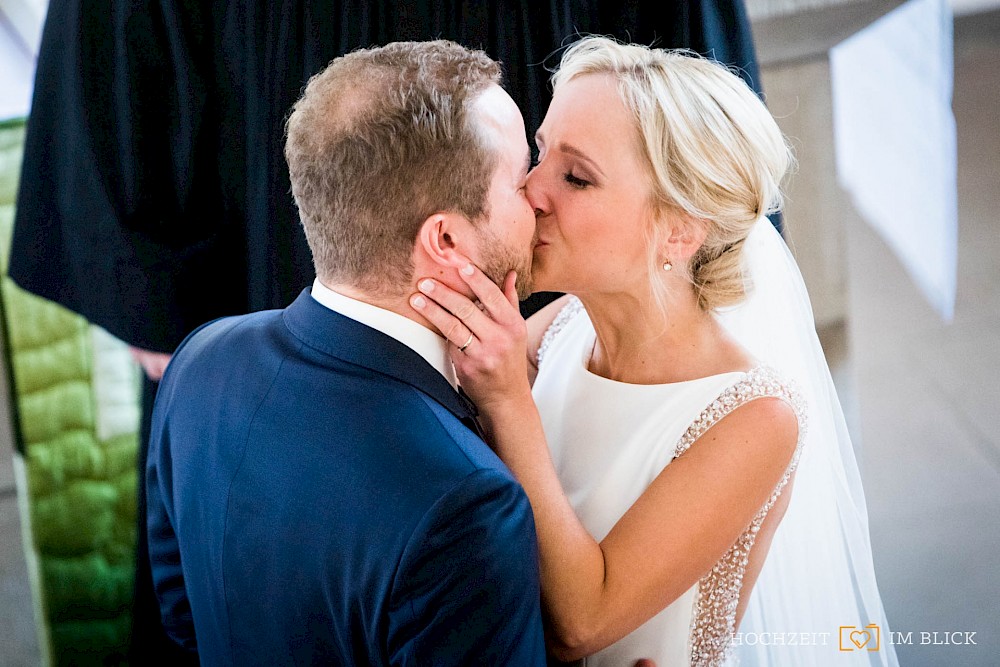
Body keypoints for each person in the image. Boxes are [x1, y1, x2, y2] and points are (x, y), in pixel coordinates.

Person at [412, 37, 898, 666]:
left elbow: (582, 624)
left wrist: (507, 399)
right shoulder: (561, 329)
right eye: (540, 154)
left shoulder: (755, 417)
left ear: (679, 231)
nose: (531, 192)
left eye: (577, 177)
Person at [144, 40, 546, 664]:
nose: (540, 196)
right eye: (522, 178)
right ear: (445, 238)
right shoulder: (467, 507)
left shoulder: (202, 359)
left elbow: (184, 621)